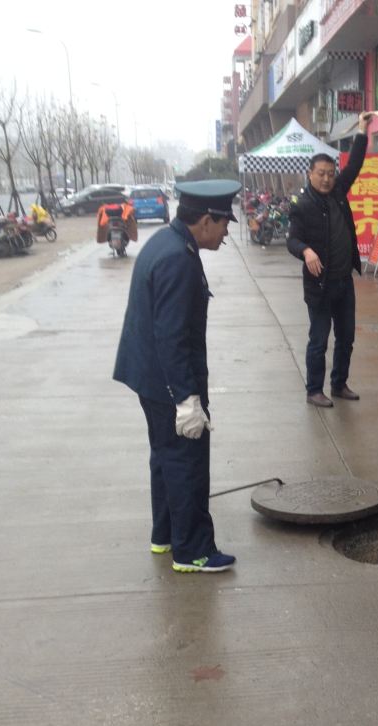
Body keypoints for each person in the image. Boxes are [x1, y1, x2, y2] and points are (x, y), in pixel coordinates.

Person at [113, 179, 241, 573]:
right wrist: (186, 399)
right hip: (167, 380)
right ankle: (193, 551)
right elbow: (172, 336)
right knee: (187, 462)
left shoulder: (168, 243)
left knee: (166, 457)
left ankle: (166, 535)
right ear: (206, 221)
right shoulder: (178, 259)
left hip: (151, 376)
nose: (226, 232)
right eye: (225, 224)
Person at [286, 112, 372, 407]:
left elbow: (355, 164)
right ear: (310, 173)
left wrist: (362, 130)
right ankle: (314, 390)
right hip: (319, 286)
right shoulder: (302, 205)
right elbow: (292, 240)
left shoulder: (338, 192)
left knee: (346, 338)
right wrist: (306, 250)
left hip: (343, 282)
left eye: (330, 173)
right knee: (319, 341)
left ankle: (339, 384)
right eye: (321, 173)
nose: (326, 178)